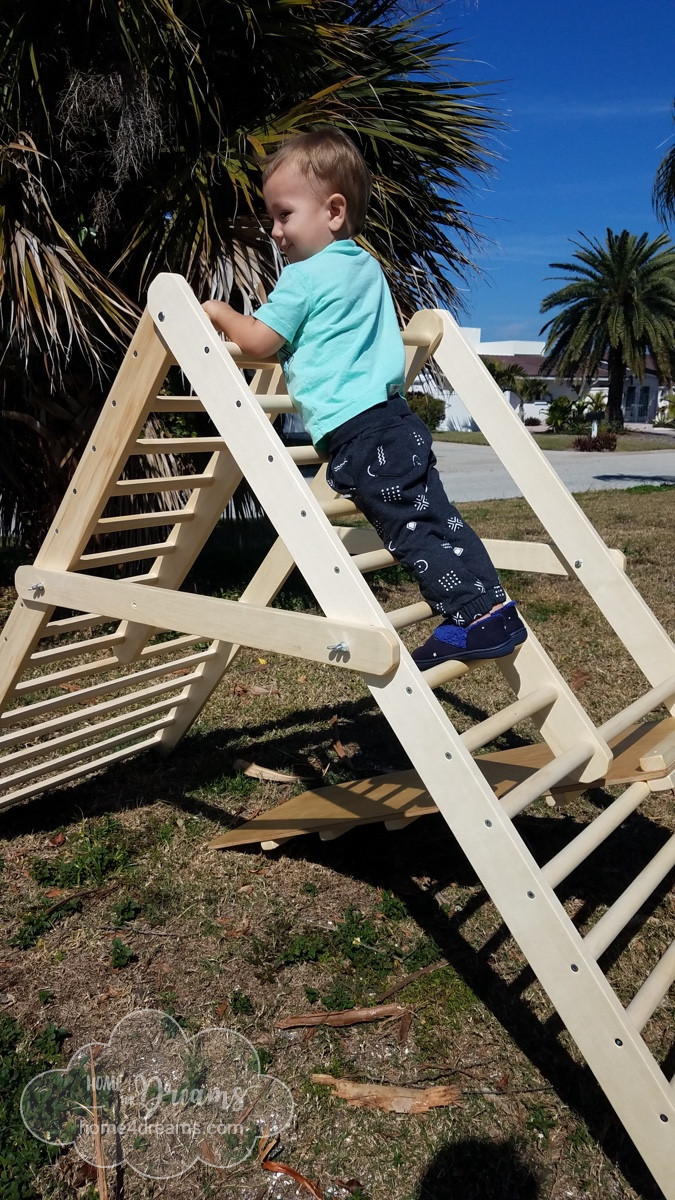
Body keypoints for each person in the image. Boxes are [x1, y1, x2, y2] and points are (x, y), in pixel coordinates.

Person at [202, 127, 526, 668]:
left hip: (359, 434)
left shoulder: (302, 278)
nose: (275, 231)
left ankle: (469, 618)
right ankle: (495, 608)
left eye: (284, 215)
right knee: (439, 519)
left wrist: (218, 313)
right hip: (396, 421)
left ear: (333, 211)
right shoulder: (366, 268)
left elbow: (258, 341)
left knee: (410, 531)